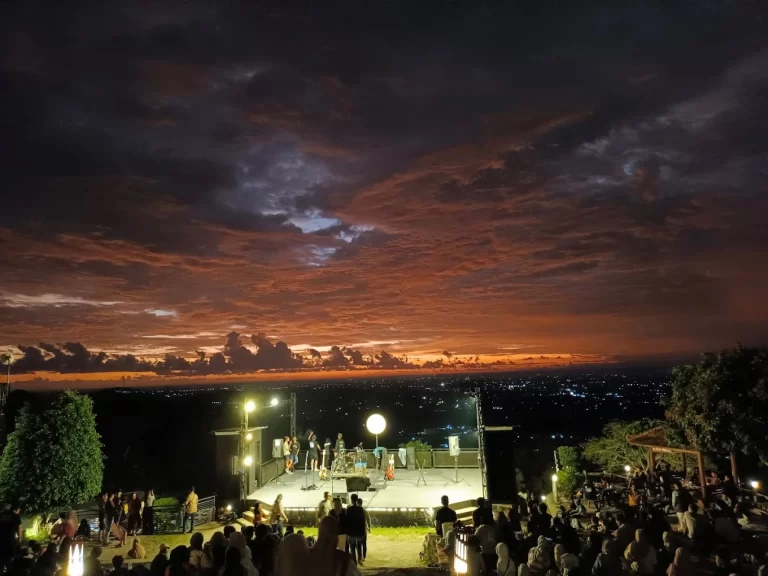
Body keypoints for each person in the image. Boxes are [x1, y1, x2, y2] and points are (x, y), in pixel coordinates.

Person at [0, 504, 23, 574]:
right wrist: (19, 540)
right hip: (10, 540)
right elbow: (19, 529)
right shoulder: (16, 516)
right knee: (10, 558)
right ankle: (10, 571)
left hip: (1, 539)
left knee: (2, 557)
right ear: (17, 509)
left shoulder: (2, 514)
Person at [345, 494, 367, 565]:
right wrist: (363, 531)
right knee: (359, 546)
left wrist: (347, 532)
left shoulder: (349, 510)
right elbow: (363, 520)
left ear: (351, 500)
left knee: (352, 547)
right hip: (359, 531)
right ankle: (360, 559)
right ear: (357, 499)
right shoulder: (360, 509)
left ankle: (354, 561)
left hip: (351, 532)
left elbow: (347, 521)